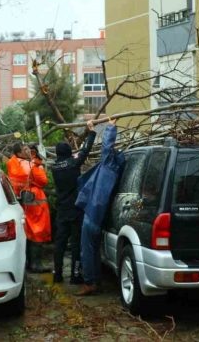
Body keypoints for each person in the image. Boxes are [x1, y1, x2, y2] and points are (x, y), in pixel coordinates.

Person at [75, 118, 124, 296]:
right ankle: (95, 281)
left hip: (92, 214)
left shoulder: (109, 168)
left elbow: (107, 147)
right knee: (93, 250)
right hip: (97, 214)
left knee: (87, 250)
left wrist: (110, 127)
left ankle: (90, 282)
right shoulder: (114, 172)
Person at [49, 120, 97, 284]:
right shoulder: (73, 163)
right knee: (76, 244)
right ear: (69, 152)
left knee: (60, 244)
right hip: (75, 210)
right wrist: (91, 132)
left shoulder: (54, 167)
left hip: (62, 211)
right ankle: (75, 276)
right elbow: (85, 150)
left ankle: (57, 274)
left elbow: (72, 157)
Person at [7, 143, 52, 272]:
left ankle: (28, 262)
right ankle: (36, 264)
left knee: (28, 231)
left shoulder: (13, 163)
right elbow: (43, 181)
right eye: (25, 149)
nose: (28, 151)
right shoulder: (30, 165)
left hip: (23, 200)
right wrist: (39, 165)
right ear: (19, 153)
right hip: (35, 202)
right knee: (37, 231)